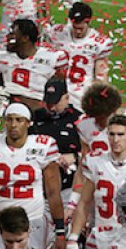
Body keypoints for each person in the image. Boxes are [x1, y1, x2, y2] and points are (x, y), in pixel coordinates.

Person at [0, 103, 67, 249]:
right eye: (9, 120)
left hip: (32, 218)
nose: (13, 125)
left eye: (19, 120)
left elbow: (53, 192)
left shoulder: (43, 146)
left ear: (28, 123)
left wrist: (59, 230)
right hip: (1, 217)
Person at [69, 115, 126, 241]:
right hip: (103, 236)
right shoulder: (95, 161)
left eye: (120, 134)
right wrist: (73, 238)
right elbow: (84, 203)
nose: (115, 139)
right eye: (111, 134)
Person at [0, 19, 69, 113]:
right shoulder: (5, 58)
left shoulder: (52, 58)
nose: (8, 38)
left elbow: (61, 91)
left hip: (42, 116)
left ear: (25, 38)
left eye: (12, 34)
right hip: (14, 116)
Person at [44, 2, 113, 111]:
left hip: (80, 94)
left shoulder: (100, 43)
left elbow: (101, 77)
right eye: (75, 27)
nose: (77, 31)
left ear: (88, 22)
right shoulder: (57, 33)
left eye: (81, 28)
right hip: (58, 92)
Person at [31, 78, 84, 209]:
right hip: (38, 186)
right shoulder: (35, 118)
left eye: (55, 102)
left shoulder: (80, 120)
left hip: (68, 187)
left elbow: (94, 153)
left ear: (66, 98)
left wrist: (75, 157)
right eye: (48, 103)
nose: (51, 107)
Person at [76, 82, 126, 154]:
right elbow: (84, 162)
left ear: (114, 110)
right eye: (94, 118)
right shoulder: (84, 125)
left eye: (101, 118)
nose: (97, 122)